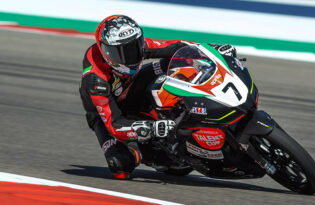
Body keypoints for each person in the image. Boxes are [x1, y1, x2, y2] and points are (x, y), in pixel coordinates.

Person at [79, 15, 236, 179]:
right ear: (107, 53)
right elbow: (115, 126)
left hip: (132, 84)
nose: (134, 54)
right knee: (120, 164)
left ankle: (197, 103)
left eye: (136, 45)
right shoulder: (96, 81)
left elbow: (175, 47)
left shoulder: (134, 46)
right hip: (108, 114)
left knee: (173, 63)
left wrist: (212, 50)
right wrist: (152, 128)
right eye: (125, 52)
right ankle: (150, 152)